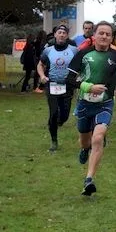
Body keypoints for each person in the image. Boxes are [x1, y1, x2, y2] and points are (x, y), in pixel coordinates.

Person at [66, 21, 116, 196]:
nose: (104, 37)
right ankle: (85, 149)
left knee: (98, 137)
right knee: (85, 141)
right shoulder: (83, 54)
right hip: (85, 104)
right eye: (101, 33)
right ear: (94, 35)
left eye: (108, 34)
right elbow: (69, 79)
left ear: (111, 38)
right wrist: (88, 87)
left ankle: (89, 180)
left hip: (105, 103)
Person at [37, 24, 79, 152]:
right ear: (55, 35)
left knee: (64, 115)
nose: (61, 35)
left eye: (64, 33)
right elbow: (40, 64)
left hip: (67, 85)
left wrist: (79, 76)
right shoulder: (48, 50)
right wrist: (42, 76)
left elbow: (80, 65)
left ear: (67, 36)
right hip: (52, 84)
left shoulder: (73, 50)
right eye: (59, 32)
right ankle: (54, 141)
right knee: (54, 113)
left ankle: (57, 122)